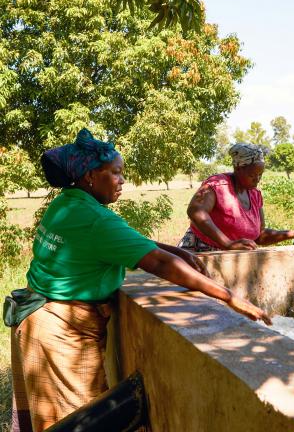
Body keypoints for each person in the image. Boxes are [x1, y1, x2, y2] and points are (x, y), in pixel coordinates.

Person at [7, 129, 271, 432]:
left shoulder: (68, 203)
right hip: (60, 332)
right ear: (92, 175)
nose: (122, 180)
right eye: (116, 173)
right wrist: (228, 297)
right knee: (78, 421)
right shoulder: (96, 219)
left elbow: (130, 241)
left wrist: (176, 250)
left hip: (39, 319)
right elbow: (157, 263)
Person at [178, 143, 294, 252]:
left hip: (233, 260)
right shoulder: (218, 185)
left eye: (260, 175)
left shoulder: (254, 195)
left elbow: (259, 235)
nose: (257, 179)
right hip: (200, 254)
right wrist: (228, 244)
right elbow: (196, 211)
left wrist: (293, 233)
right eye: (252, 175)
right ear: (238, 168)